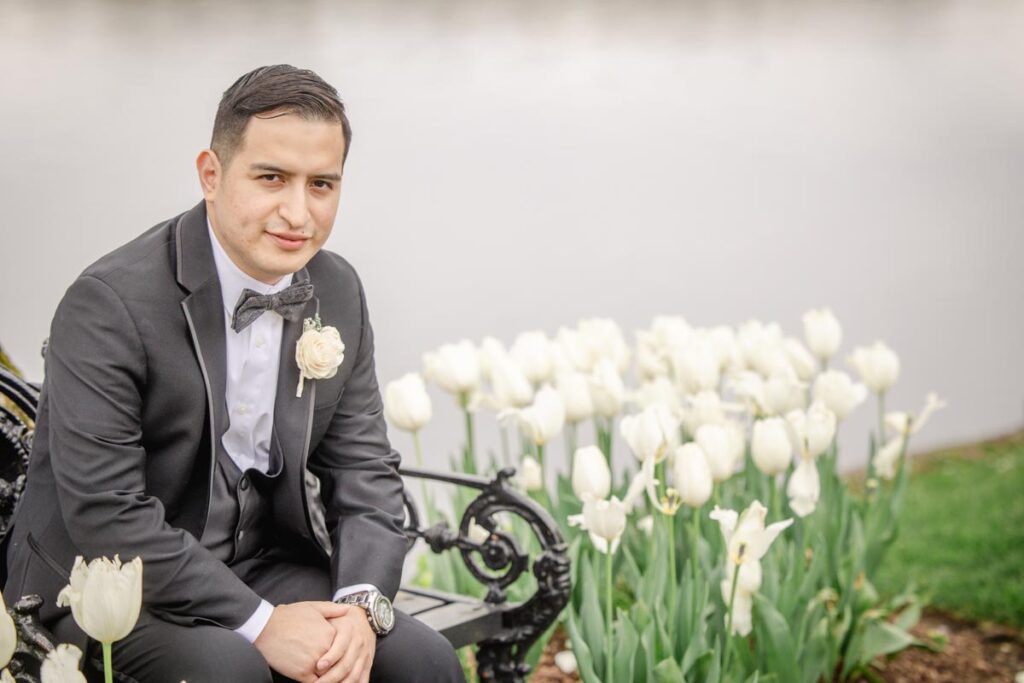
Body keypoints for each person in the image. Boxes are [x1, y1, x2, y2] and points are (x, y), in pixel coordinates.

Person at [2, 64, 465, 683]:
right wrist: (264, 625)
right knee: (229, 672)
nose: (297, 212)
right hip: (102, 582)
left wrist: (361, 605)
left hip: (262, 562)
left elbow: (365, 473)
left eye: (321, 184)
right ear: (211, 175)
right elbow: (107, 514)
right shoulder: (108, 304)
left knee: (418, 661)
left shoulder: (336, 288)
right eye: (271, 177)